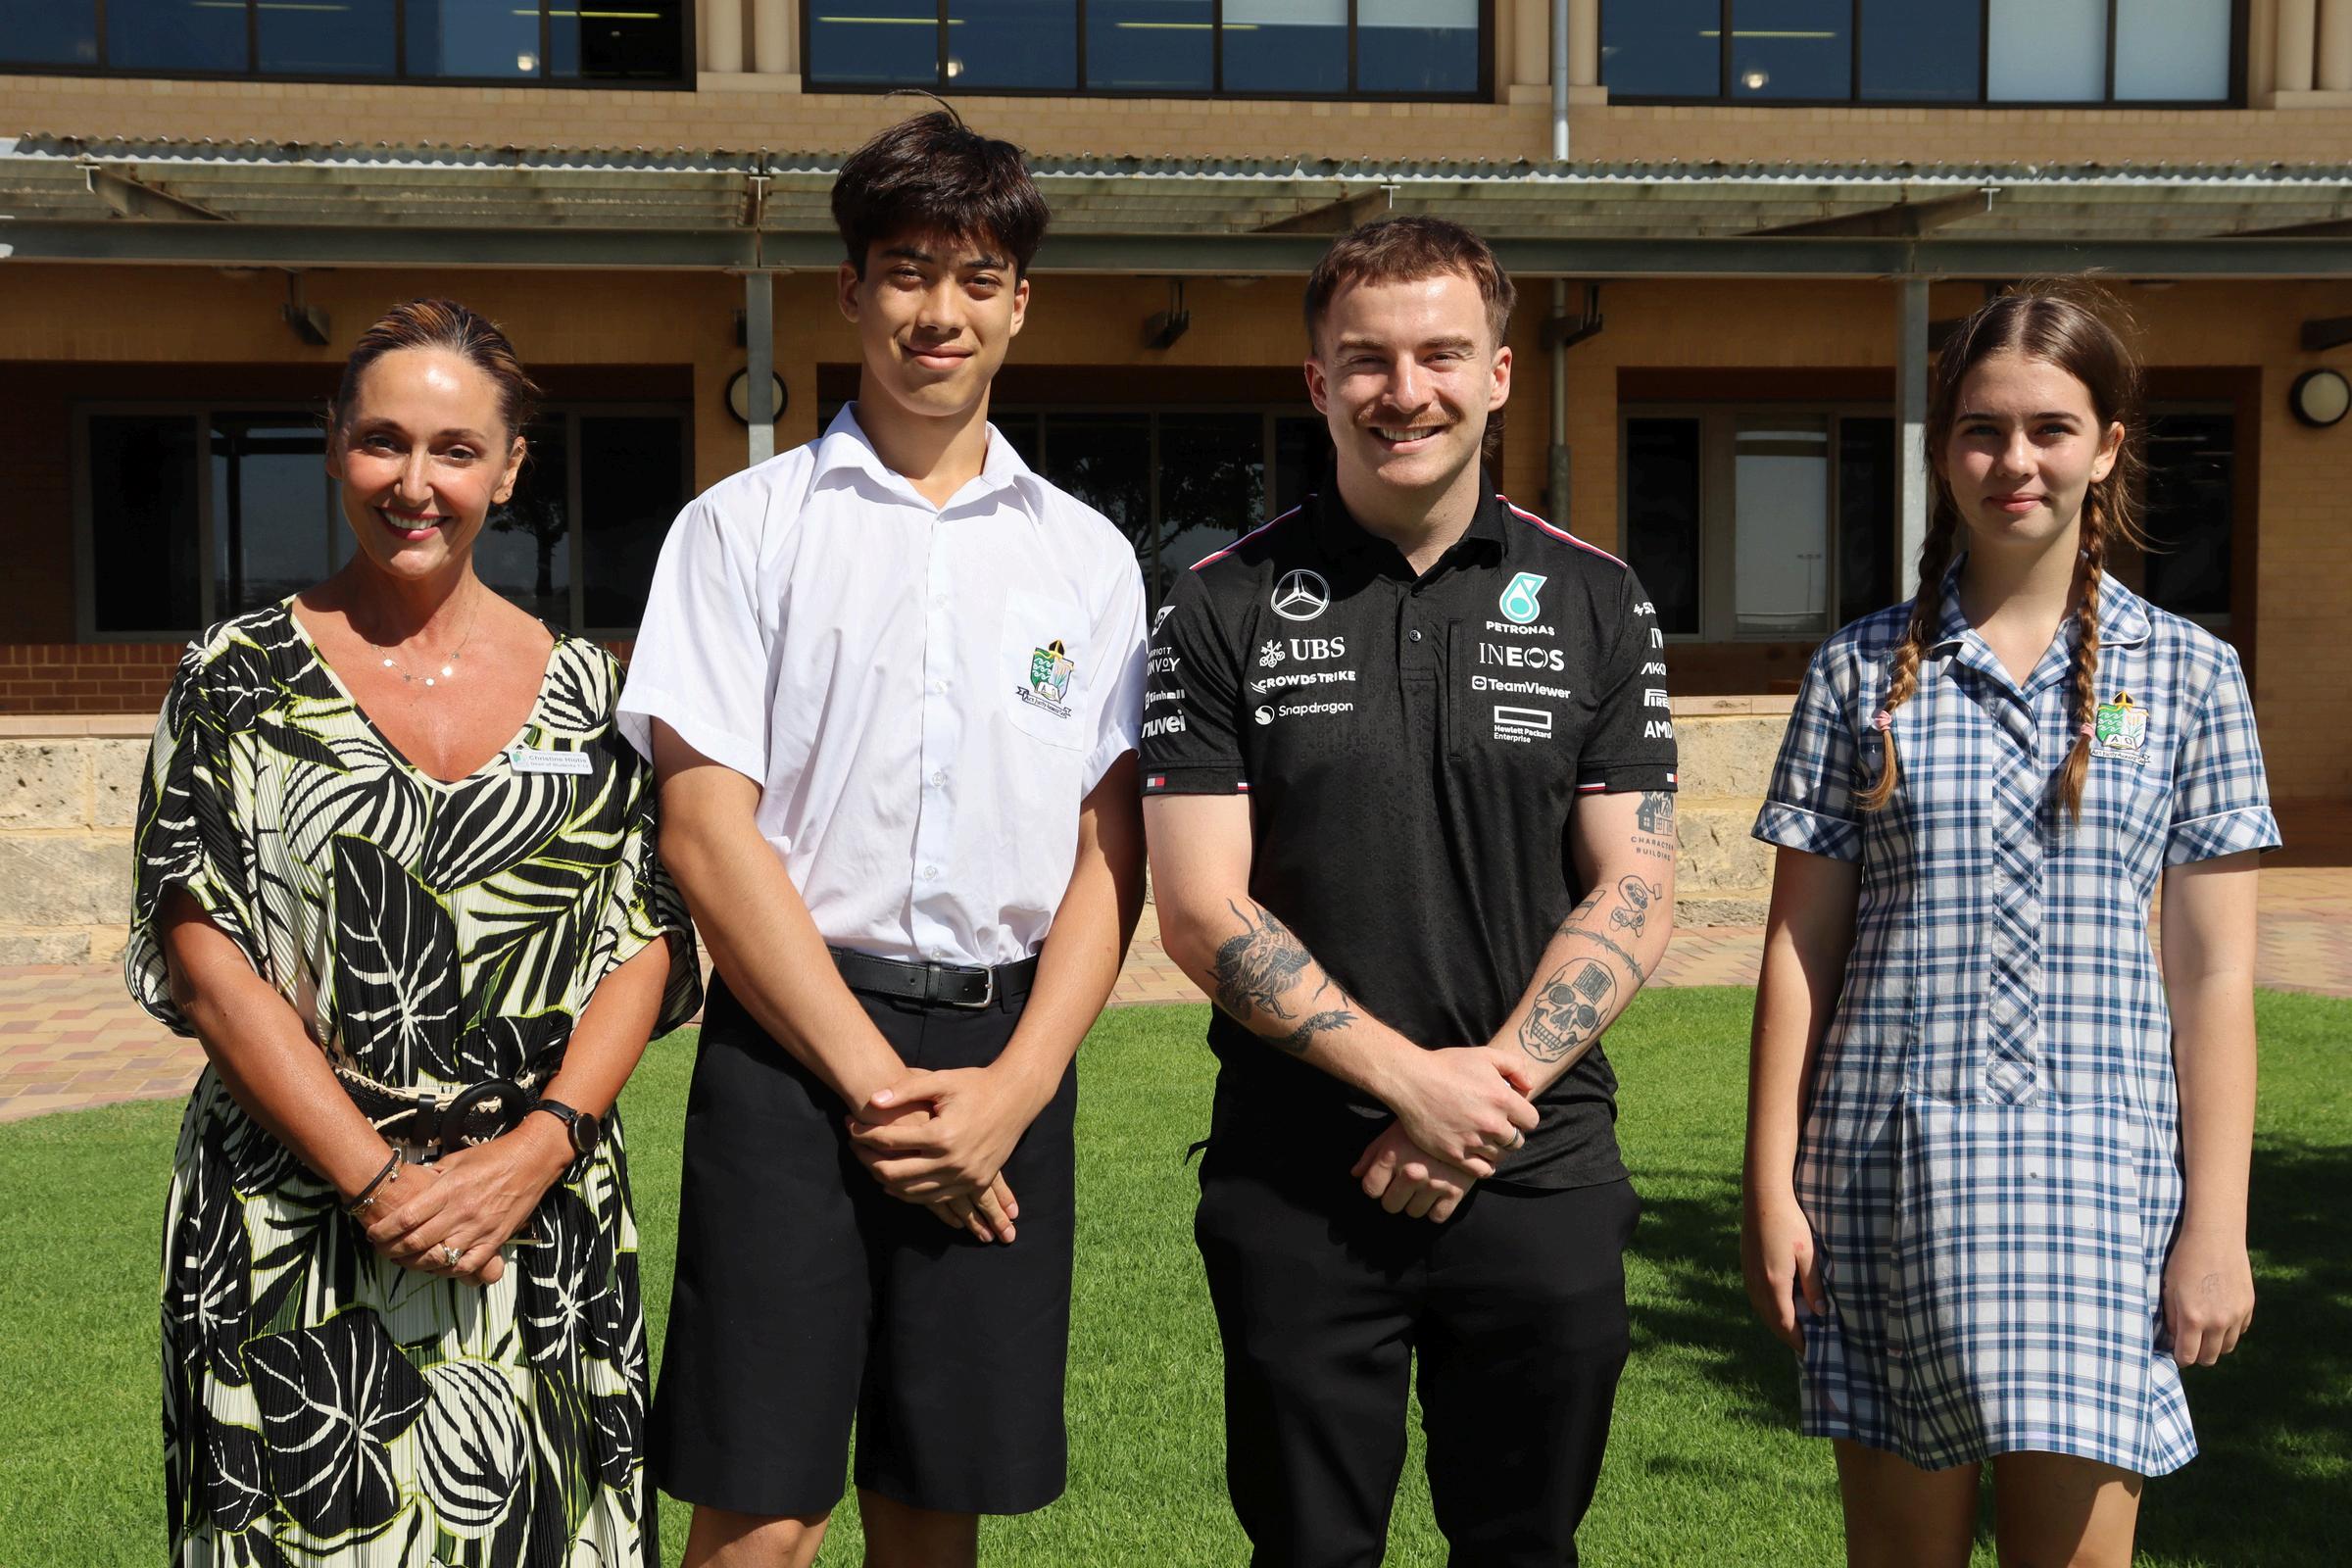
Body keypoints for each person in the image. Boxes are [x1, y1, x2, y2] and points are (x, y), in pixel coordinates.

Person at [619, 110, 1148, 1568]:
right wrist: (875, 1088)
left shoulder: (1088, 558)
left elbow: (1111, 852)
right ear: (849, 290)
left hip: (1001, 1064)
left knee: (935, 1503)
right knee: (762, 1514)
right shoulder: (740, 529)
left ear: (1021, 303)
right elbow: (704, 828)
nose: (939, 312)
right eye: (908, 271)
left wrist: (1011, 1094)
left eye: (977, 279)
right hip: (792, 1062)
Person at [126, 298, 703, 1567]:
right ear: (335, 444)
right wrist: (378, 1180)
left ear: (509, 468)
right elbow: (205, 958)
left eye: (455, 449)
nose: (414, 482)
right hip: (291, 1227)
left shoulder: (593, 693)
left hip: (536, 1226)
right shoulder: (232, 678)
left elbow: (645, 938)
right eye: (383, 440)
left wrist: (537, 1150)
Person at [1140, 216, 1677, 1567]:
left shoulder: (1598, 601)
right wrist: (1408, 1085)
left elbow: (1636, 885)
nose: (1405, 391)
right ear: (1318, 382)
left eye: (1442, 354)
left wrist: (1478, 1099)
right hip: (1300, 1177)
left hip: (1537, 1167)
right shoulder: (1217, 605)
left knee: (1525, 1548)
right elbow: (1201, 910)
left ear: (1499, 373)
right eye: (1367, 360)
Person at [1740, 286, 2276, 1567]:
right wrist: (1768, 1186)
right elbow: (1800, 950)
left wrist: (2218, 1225)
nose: (2014, 462)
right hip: (1887, 1181)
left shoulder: (2192, 676)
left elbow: (2214, 977)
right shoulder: (1857, 673)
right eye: (1982, 430)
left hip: (2105, 1192)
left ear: (2108, 447)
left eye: (2051, 428)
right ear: (1941, 450)